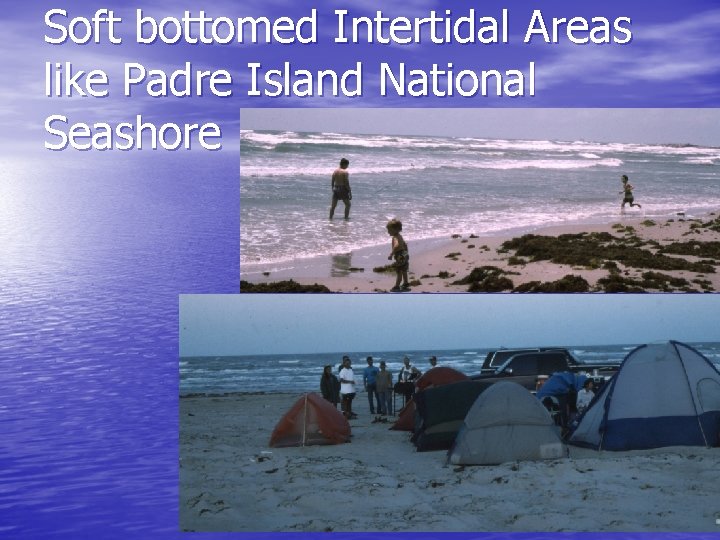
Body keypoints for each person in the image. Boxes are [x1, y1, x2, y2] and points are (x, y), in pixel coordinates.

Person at [386, 218, 410, 292]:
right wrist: (406, 253)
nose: (388, 232)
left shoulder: (395, 237)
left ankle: (397, 286)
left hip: (399, 255)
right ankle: (405, 283)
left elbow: (396, 245)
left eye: (389, 230)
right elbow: (405, 244)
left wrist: (391, 254)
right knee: (404, 270)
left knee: (399, 271)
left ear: (395, 230)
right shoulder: (400, 236)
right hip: (405, 254)